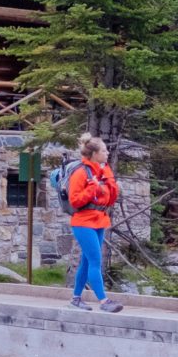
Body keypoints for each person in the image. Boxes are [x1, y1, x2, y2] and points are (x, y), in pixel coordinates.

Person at [68, 132, 123, 313]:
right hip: (83, 222)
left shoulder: (100, 172)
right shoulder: (80, 173)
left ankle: (76, 299)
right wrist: (92, 188)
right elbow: (75, 201)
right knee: (95, 261)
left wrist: (105, 180)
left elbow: (110, 197)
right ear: (94, 154)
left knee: (86, 261)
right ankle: (104, 300)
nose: (107, 153)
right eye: (104, 151)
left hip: (98, 221)